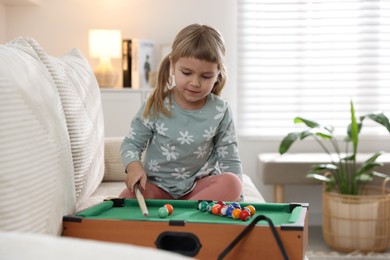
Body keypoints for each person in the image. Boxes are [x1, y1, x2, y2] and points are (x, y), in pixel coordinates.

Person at [119, 24, 243, 201]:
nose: (195, 82)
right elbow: (131, 143)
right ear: (172, 66)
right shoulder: (156, 104)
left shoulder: (221, 111)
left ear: (218, 75)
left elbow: (230, 159)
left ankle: (185, 212)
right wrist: (134, 167)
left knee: (233, 183)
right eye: (186, 73)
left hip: (198, 189)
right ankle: (191, 213)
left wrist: (239, 200)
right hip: (158, 187)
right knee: (126, 197)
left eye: (206, 76)